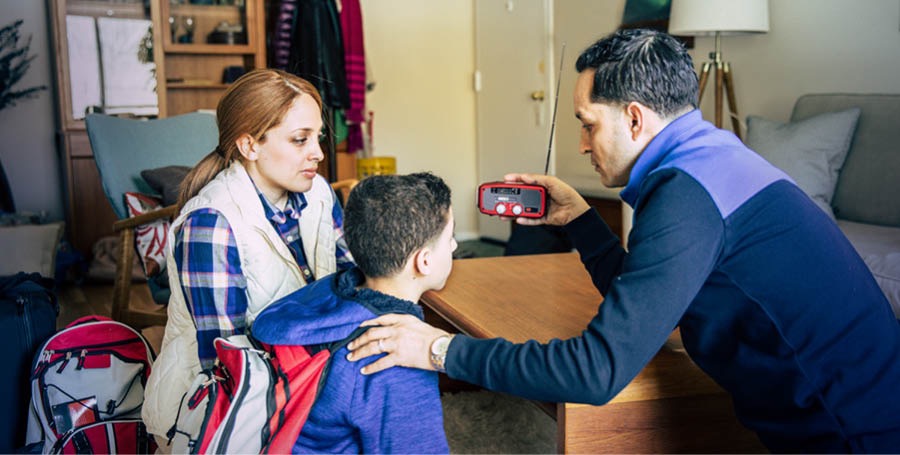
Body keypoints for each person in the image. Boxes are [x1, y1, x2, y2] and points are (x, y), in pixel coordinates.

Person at [345, 29, 900, 452]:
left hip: (849, 432)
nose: (584, 144)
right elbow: (650, 299)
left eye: (588, 124)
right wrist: (582, 219)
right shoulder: (711, 158)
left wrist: (437, 349)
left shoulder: (687, 197)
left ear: (634, 119)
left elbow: (596, 371)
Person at [142, 69, 355, 440]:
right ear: (249, 146)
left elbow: (352, 279)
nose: (319, 153)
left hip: (305, 366)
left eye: (317, 137)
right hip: (226, 405)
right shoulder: (210, 224)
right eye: (300, 140)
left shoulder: (317, 192)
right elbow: (228, 365)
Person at [251, 172, 455, 453]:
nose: (455, 246)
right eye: (450, 238)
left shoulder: (323, 294)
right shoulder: (394, 356)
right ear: (425, 261)